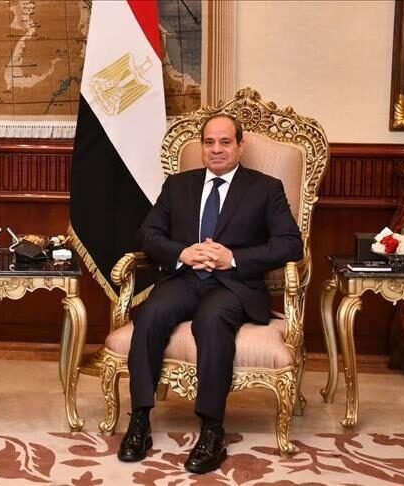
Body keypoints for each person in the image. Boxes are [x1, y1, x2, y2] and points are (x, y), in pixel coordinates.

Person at [117, 114, 303, 473]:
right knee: (151, 314)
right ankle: (139, 419)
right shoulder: (178, 186)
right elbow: (147, 235)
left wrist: (233, 258)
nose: (216, 149)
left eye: (225, 142)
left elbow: (290, 244)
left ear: (240, 146)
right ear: (202, 147)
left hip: (233, 285)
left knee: (212, 319)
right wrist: (182, 253)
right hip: (184, 279)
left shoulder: (265, 188)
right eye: (209, 142)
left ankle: (212, 429)